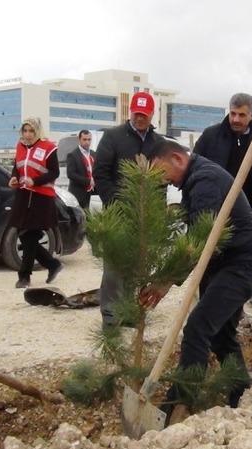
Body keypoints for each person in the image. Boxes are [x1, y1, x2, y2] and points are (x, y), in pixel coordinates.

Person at [140, 141, 252, 411]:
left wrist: (165, 282)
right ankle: (240, 390)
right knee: (220, 335)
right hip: (224, 265)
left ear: (176, 158)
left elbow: (199, 240)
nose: (164, 182)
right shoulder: (196, 178)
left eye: (161, 173)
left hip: (241, 266)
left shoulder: (205, 180)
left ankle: (180, 400)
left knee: (198, 327)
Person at [193, 93, 252, 305]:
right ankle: (206, 306)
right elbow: (192, 170)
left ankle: (234, 310)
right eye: (233, 113)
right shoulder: (211, 136)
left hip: (246, 214)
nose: (236, 119)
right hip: (213, 213)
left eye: (242, 114)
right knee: (210, 264)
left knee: (239, 264)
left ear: (251, 115)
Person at [93, 92, 164, 327]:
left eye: (144, 115)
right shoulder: (113, 137)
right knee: (114, 267)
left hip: (144, 215)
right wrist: (115, 203)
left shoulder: (158, 143)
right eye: (136, 114)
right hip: (118, 212)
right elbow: (101, 173)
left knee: (137, 265)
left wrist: (157, 210)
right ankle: (111, 316)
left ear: (152, 115)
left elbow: (161, 180)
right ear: (130, 112)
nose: (139, 118)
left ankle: (131, 312)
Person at [8, 118, 63, 288]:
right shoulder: (20, 146)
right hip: (23, 195)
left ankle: (24, 276)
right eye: (25, 130)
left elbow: (54, 172)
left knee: (30, 235)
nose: (28, 134)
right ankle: (52, 264)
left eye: (31, 131)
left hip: (41, 197)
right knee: (24, 235)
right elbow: (17, 167)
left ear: (37, 131)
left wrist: (35, 181)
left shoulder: (48, 147)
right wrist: (14, 178)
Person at [66, 129, 96, 209]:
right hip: (77, 195)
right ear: (79, 140)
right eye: (84, 139)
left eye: (89, 140)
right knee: (79, 219)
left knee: (89, 219)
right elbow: (71, 174)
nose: (87, 142)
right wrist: (88, 181)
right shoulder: (72, 155)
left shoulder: (93, 154)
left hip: (91, 194)